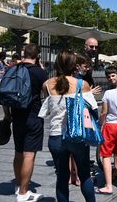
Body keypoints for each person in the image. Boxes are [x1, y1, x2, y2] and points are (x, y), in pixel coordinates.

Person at [39, 50, 96, 202]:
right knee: (84, 176)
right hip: (77, 136)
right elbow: (92, 108)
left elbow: (50, 108)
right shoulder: (81, 84)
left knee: (62, 178)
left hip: (56, 137)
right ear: (75, 66)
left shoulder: (47, 85)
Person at [10, 44, 48, 202]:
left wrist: (7, 116)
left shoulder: (13, 69)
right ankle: (24, 193)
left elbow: (6, 92)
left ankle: (19, 186)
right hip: (33, 116)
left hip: (16, 115)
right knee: (29, 154)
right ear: (37, 56)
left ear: (23, 54)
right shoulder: (40, 72)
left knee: (18, 152)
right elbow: (47, 93)